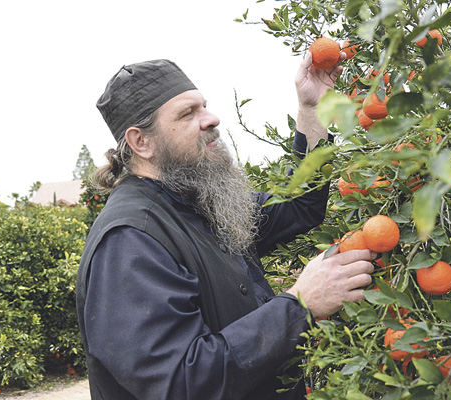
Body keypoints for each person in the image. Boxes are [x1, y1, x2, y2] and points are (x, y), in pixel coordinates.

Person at [76, 56, 376, 400]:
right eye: (188, 114)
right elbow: (180, 383)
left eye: (204, 106)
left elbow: (300, 205)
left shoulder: (203, 203)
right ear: (141, 142)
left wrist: (312, 109)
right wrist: (300, 304)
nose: (212, 118)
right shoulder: (131, 240)